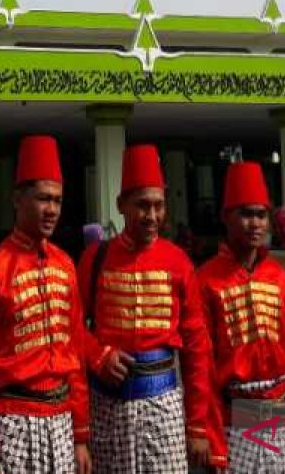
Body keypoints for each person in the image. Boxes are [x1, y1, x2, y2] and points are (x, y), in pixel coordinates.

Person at [0, 136, 92, 473]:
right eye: (43, 199)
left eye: (58, 201)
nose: (52, 210)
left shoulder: (65, 265)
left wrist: (80, 435)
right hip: (14, 423)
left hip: (61, 420)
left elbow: (74, 354)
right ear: (17, 199)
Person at [78, 144, 213, 472]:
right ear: (120, 205)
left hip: (163, 405)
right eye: (142, 206)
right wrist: (98, 355)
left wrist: (197, 425)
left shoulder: (179, 262)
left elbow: (197, 347)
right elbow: (71, 326)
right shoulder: (95, 258)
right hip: (107, 405)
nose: (152, 216)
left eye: (159, 206)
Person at [197, 161, 285, 473]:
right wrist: (212, 440)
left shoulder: (278, 276)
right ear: (226, 218)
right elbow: (202, 369)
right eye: (246, 214)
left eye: (262, 214)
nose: (255, 224)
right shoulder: (207, 279)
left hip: (282, 418)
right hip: (234, 421)